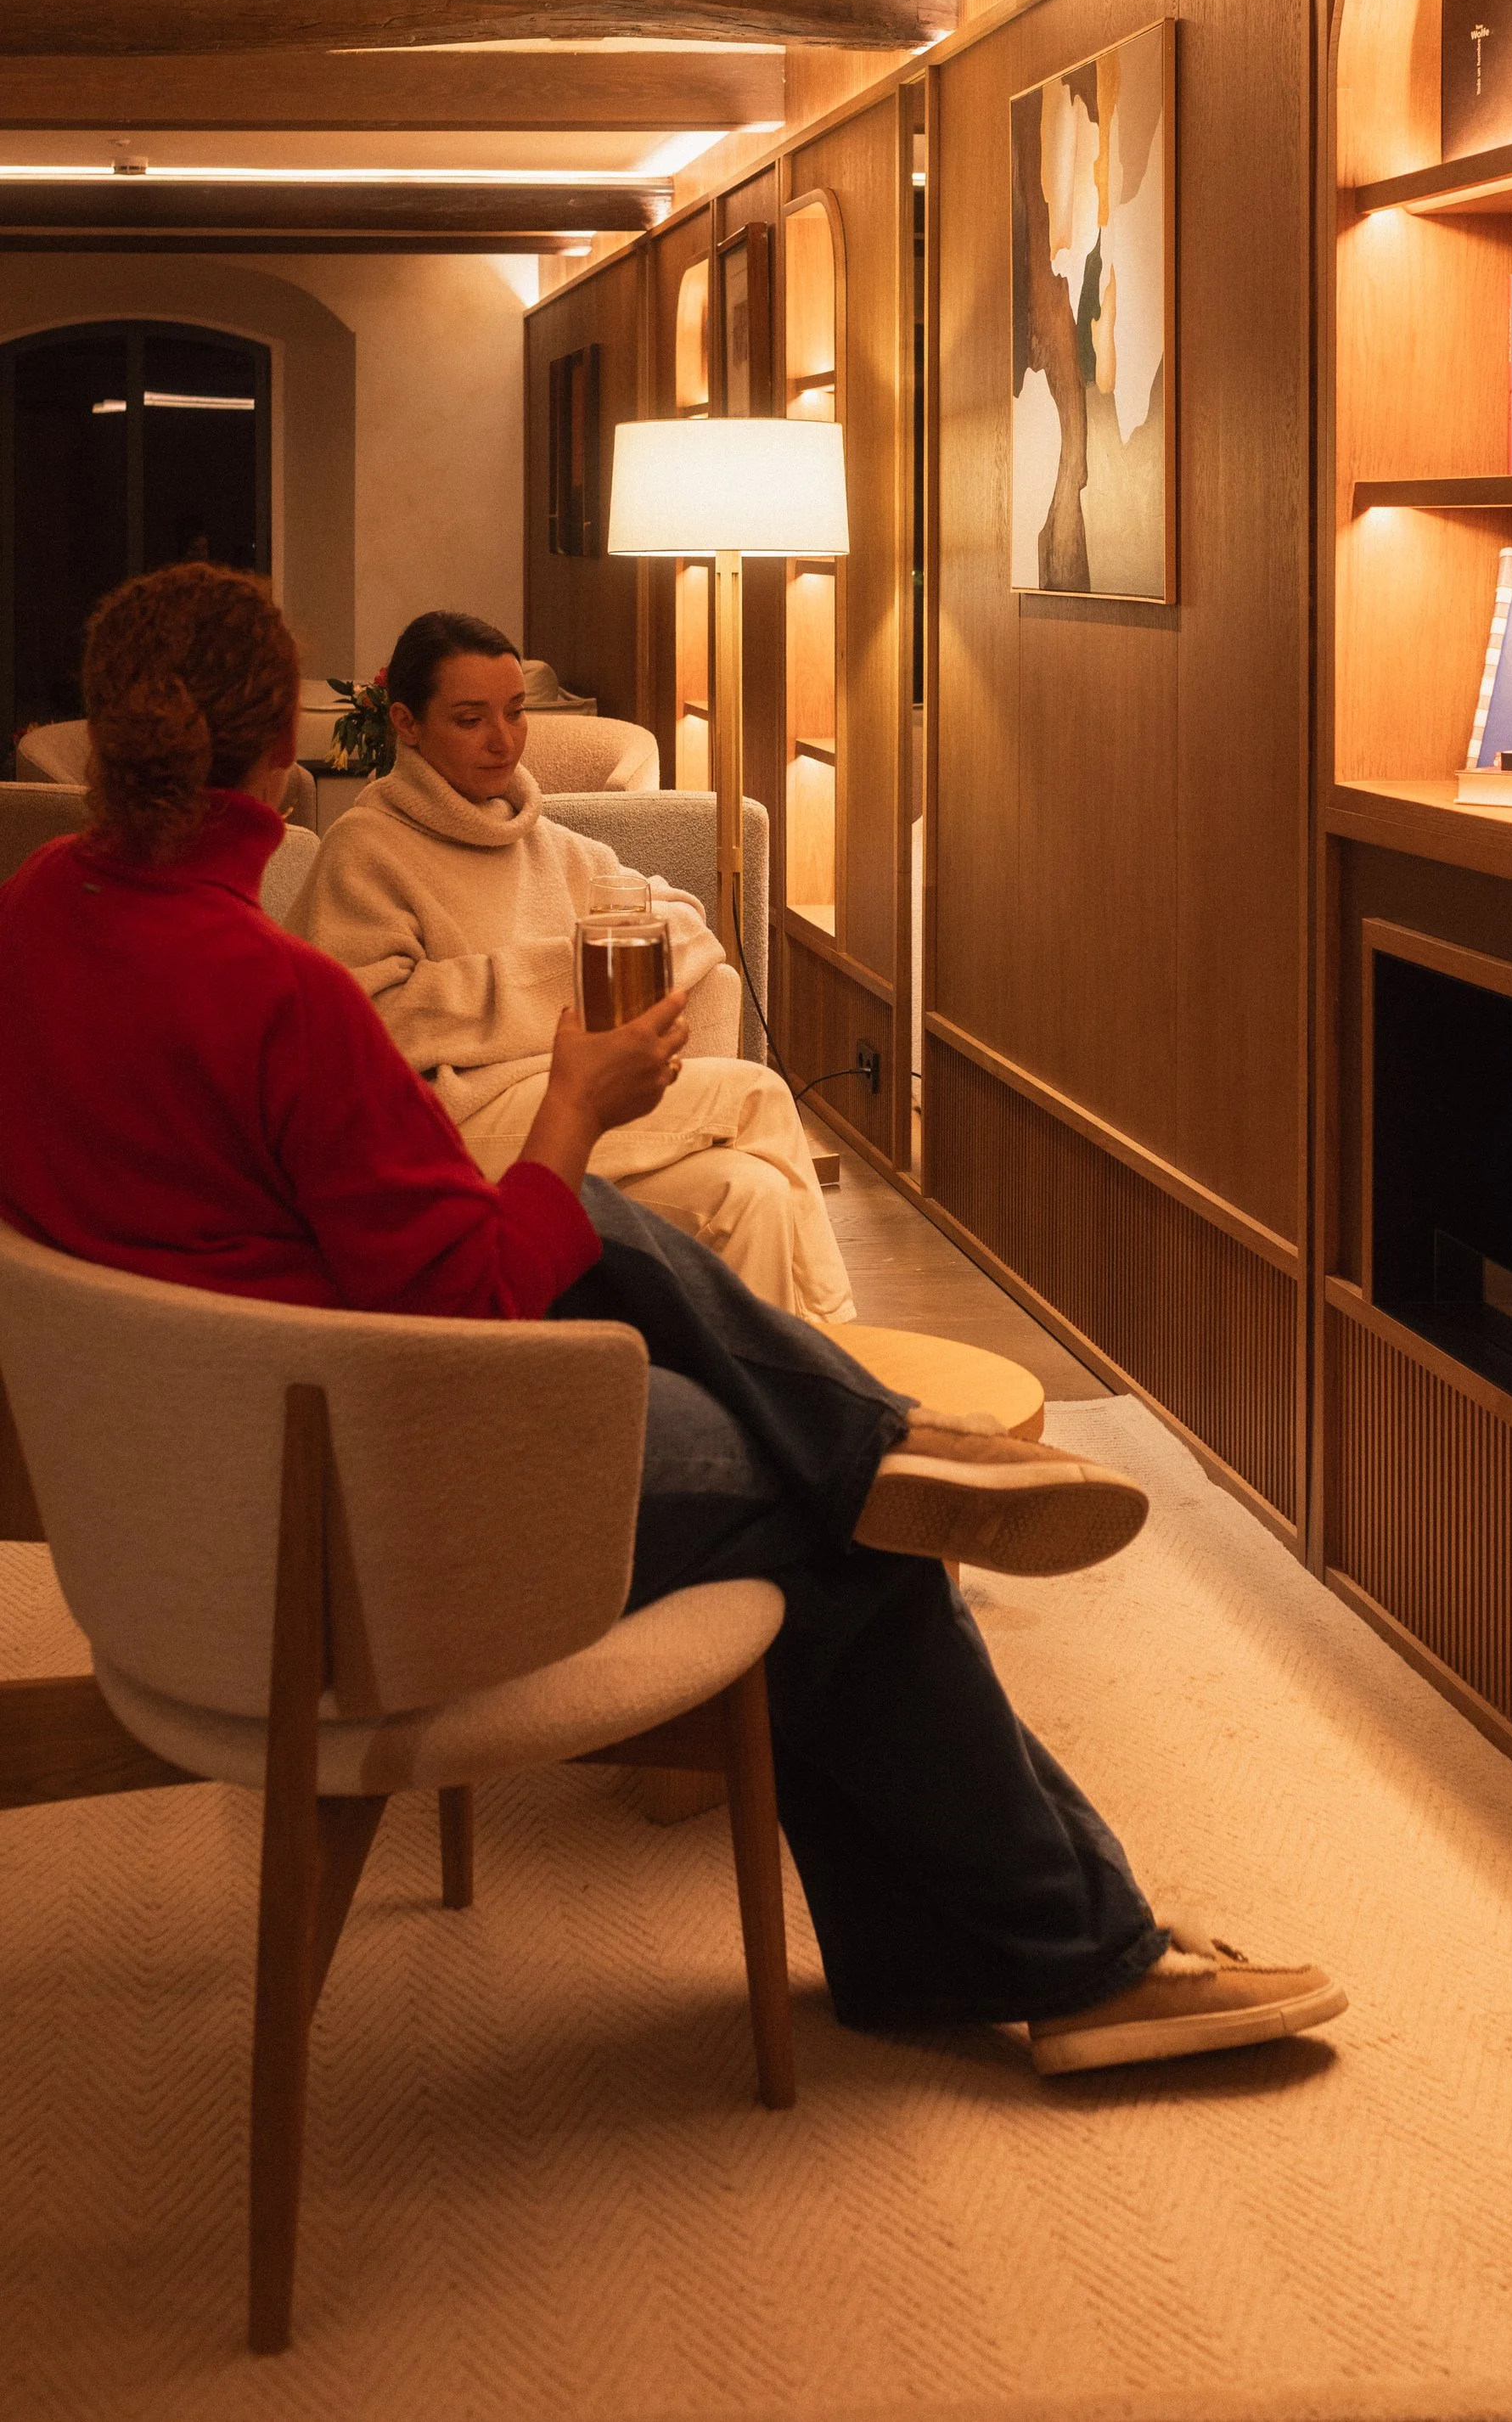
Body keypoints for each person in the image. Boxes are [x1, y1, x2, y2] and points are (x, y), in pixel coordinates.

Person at [0, 563, 1346, 2076]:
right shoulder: (274, 993)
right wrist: (566, 1113)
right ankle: (1080, 1953)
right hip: (363, 1506)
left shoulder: (39, 913)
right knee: (840, 1522)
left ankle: (878, 1451)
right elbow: (480, 1294)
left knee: (647, 1257)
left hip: (187, 1475)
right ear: (278, 759)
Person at [289, 612, 852, 1323]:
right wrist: (574, 980)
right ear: (407, 722)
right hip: (453, 1126)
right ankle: (854, 1364)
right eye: (470, 720)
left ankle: (768, 1415)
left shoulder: (547, 844)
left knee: (755, 1194)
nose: (504, 741)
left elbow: (684, 925)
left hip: (570, 1105)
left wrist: (546, 991)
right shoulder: (367, 850)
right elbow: (373, 1023)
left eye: (516, 713)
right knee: (759, 1096)